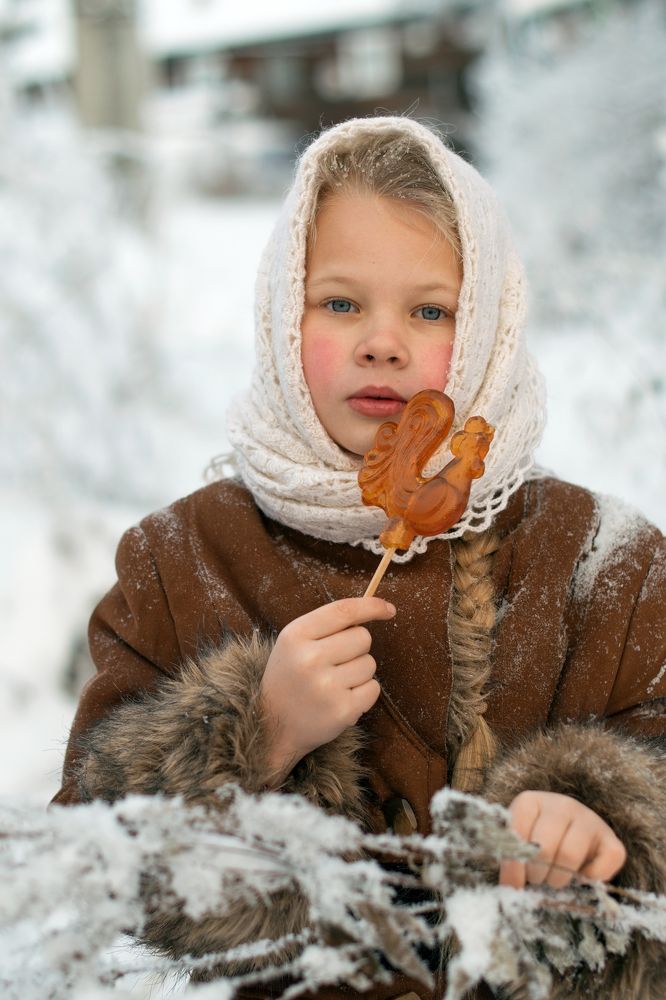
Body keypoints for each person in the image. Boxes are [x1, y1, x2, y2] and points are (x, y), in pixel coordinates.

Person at [53, 117, 666, 999]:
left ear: (490, 322)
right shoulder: (179, 561)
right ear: (278, 313)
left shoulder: (610, 569)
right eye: (340, 304)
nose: (384, 341)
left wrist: (611, 820)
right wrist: (245, 737)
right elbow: (82, 870)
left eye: (431, 310)